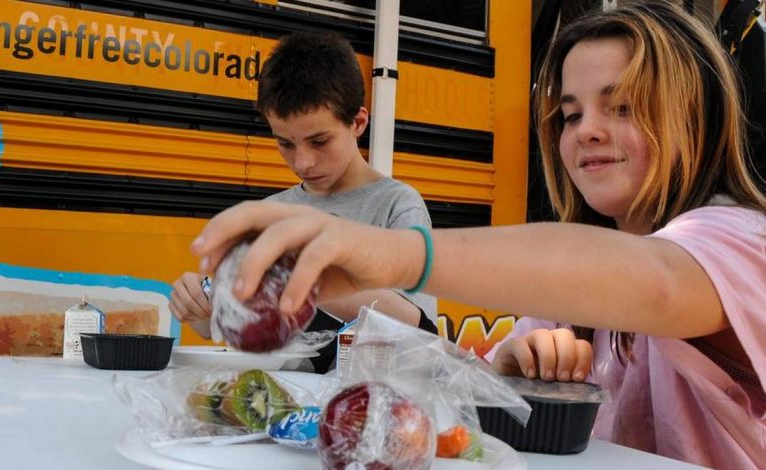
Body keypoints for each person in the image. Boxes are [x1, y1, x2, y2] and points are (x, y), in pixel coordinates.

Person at [188, 1, 766, 467]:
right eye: (570, 114)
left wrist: (396, 255)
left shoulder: (738, 239)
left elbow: (660, 283)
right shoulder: (569, 291)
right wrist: (507, 371)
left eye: (623, 107)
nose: (588, 130)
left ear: (697, 116)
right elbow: (467, 398)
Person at [169, 31, 437, 373]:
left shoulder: (396, 205)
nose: (302, 162)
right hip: (280, 411)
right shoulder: (272, 212)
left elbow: (418, 328)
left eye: (319, 141)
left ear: (357, 122)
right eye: (285, 143)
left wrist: (300, 276)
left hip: (361, 410)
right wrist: (202, 303)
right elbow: (221, 326)